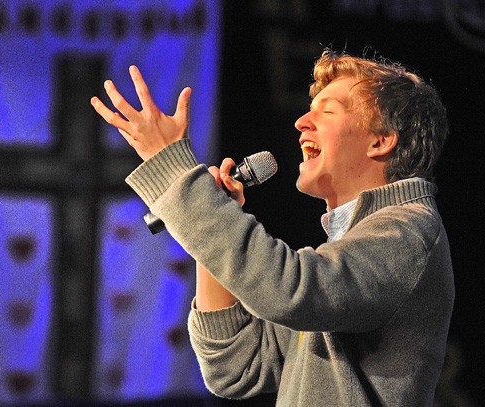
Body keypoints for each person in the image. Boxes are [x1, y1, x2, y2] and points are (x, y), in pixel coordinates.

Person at [90, 48, 454, 406]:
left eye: (327, 111)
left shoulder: (408, 232)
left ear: (381, 140)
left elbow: (288, 291)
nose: (301, 122)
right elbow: (235, 367)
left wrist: (175, 170)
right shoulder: (353, 248)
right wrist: (212, 224)